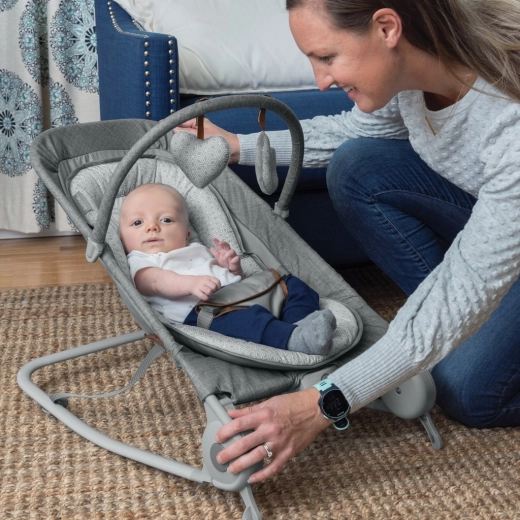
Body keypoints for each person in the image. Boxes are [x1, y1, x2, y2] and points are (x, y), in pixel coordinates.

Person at [175, 0, 520, 483]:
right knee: (358, 166)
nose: (321, 81)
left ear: (387, 28)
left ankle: (460, 335)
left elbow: (465, 286)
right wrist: (236, 146)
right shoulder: (413, 75)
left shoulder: (509, 123)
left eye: (326, 57)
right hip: (500, 225)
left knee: (467, 389)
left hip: (507, 233)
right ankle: (462, 330)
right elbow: (347, 134)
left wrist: (323, 403)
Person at [119, 183, 338, 355]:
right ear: (121, 237)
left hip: (239, 295)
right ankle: (294, 340)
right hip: (205, 313)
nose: (152, 227)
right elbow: (154, 282)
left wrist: (232, 269)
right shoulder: (141, 260)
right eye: (138, 223)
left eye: (166, 220)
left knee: (291, 283)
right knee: (248, 321)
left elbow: (230, 282)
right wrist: (190, 284)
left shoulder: (195, 248)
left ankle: (299, 324)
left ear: (186, 234)